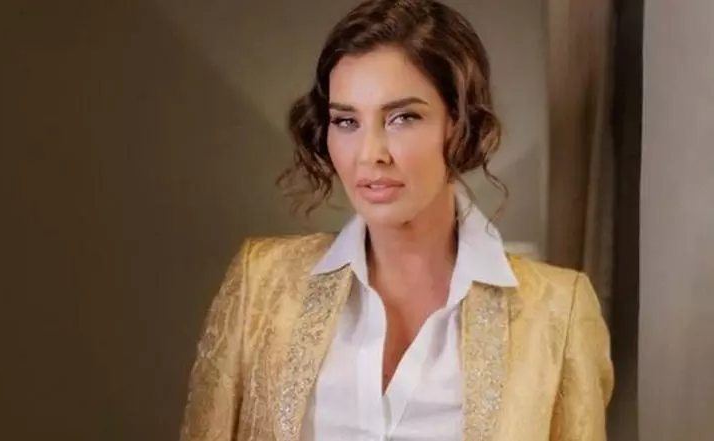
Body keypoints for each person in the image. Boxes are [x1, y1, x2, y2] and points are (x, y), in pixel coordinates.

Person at [180, 0, 614, 440]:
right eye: (346, 121)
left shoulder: (557, 313)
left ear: (458, 124)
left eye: (402, 118)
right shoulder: (261, 285)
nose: (370, 154)